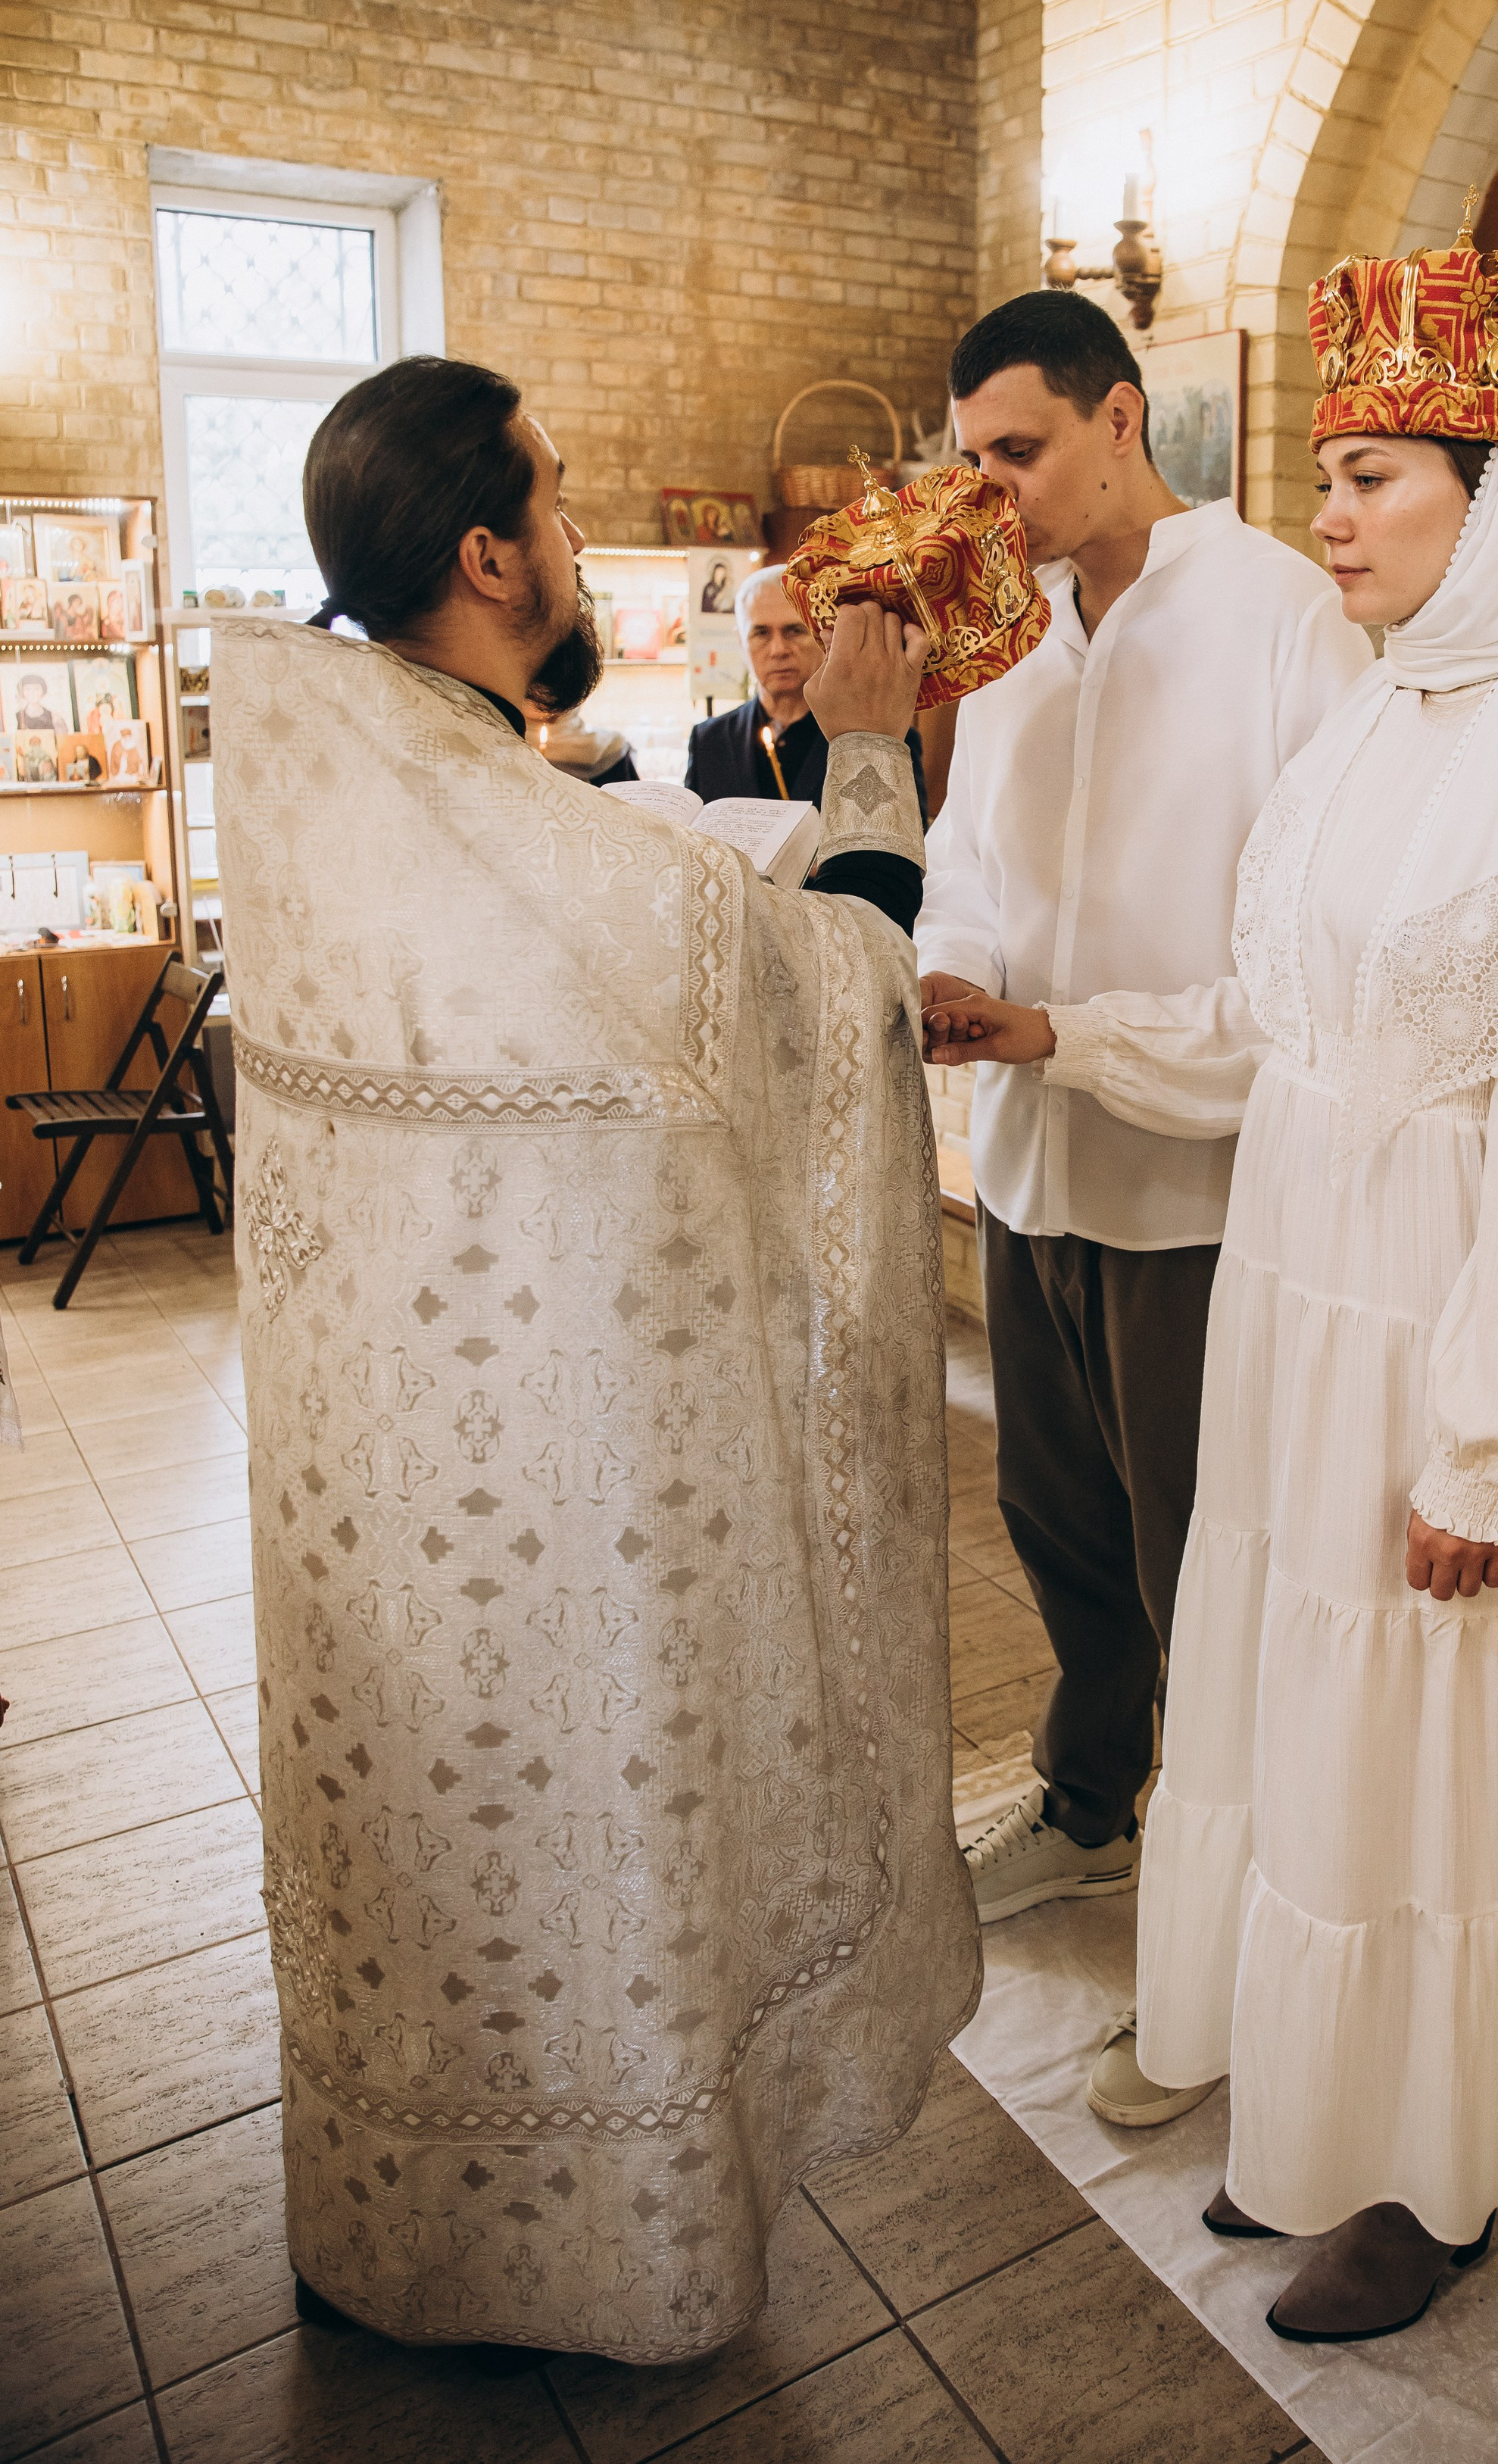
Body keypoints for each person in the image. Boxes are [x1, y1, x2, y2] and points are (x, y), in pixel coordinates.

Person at [925, 226, 1498, 2338]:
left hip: (1440, 1333)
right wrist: (1061, 1038)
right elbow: (1278, 1020)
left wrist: (1496, 1440)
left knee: (1439, 1756)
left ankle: (1437, 2172)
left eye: (1380, 474)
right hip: (1294, 1300)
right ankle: (1320, 2110)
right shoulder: (1383, 717)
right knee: (1309, 1728)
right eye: (1333, 468)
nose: (1332, 508)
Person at [217, 355, 977, 2366]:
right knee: (568, 1861)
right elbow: (842, 1004)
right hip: (552, 1495)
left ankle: (400, 2225)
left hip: (374, 1490)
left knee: (429, 1879)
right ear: (486, 551)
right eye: (552, 507)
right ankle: (604, 2254)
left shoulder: (344, 776)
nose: (573, 541)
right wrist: (871, 763)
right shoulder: (504, 825)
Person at [916, 291, 1369, 1993]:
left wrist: (1070, 1034)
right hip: (1030, 1168)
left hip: (1199, 1187)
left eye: (1017, 452)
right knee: (1061, 1528)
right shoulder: (1013, 633)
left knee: (1209, 1570)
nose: (993, 494)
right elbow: (969, 849)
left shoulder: (1283, 620)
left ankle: (1235, 1912)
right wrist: (953, 967)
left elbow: (1311, 958)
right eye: (971, 460)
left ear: (1125, 418)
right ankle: (1091, 1801)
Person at [686, 566, 928, 820]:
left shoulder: (880, 738)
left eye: (795, 630)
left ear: (821, 635)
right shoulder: (709, 741)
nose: (779, 650)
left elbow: (908, 841)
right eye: (761, 633)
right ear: (740, 642)